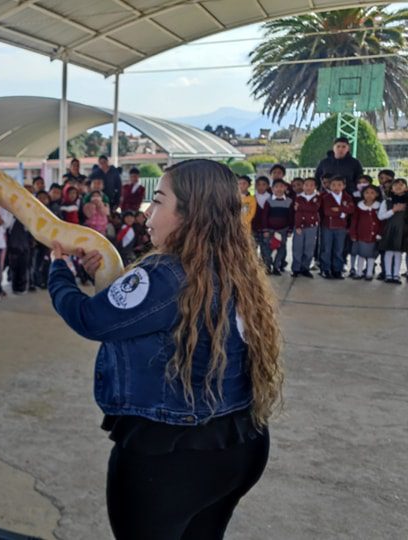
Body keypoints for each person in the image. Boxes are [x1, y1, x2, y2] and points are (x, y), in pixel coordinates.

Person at [48, 159, 282, 540]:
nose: (147, 213)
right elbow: (146, 312)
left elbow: (89, 318)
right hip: (242, 444)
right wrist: (101, 277)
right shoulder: (236, 265)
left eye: (158, 201)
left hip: (173, 459)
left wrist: (58, 270)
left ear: (189, 214)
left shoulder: (164, 273)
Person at [320, 176, 356, 279]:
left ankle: (337, 270)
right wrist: (343, 211)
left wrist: (339, 209)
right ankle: (325, 269)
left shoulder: (347, 197)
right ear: (329, 186)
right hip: (328, 226)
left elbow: (351, 209)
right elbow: (328, 211)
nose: (336, 187)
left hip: (341, 227)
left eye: (339, 185)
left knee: (339, 249)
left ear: (344, 186)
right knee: (326, 249)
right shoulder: (326, 197)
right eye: (333, 185)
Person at [348, 185, 388, 280]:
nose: (369, 195)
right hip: (361, 234)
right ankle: (359, 272)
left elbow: (383, 222)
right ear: (363, 194)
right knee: (360, 254)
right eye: (367, 192)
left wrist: (380, 233)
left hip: (374, 236)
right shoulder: (359, 207)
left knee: (371, 255)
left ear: (377, 194)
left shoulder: (379, 206)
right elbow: (354, 221)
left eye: (372, 193)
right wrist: (353, 233)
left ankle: (369, 273)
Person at [378, 178, 407, 283]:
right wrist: (393, 210)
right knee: (389, 252)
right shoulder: (387, 202)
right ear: (392, 189)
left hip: (403, 231)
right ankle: (388, 274)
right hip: (390, 230)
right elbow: (381, 217)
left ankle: (396, 275)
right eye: (396, 185)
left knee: (398, 253)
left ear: (406, 188)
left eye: (402, 184)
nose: (399, 186)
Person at [291, 178, 321, 278]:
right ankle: (296, 269)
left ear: (315, 187)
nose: (309, 187)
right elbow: (297, 213)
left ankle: (305, 268)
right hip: (299, 226)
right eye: (306, 185)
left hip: (312, 227)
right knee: (297, 248)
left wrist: (301, 207)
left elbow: (314, 208)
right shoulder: (299, 198)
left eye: (311, 185)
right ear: (303, 186)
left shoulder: (318, 198)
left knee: (309, 249)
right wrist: (298, 225)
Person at [263, 179, 294, 276]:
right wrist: (265, 229)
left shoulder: (289, 201)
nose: (279, 189)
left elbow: (291, 216)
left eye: (281, 187)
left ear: (285, 188)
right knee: (268, 249)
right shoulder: (268, 201)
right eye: (276, 187)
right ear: (272, 189)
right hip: (270, 230)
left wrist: (290, 229)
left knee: (281, 249)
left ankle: (276, 267)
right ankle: (268, 266)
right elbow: (264, 216)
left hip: (283, 230)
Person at [251, 177, 272, 269]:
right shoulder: (252, 198)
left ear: (268, 186)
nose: (261, 187)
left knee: (266, 248)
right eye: (258, 184)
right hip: (253, 227)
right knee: (253, 248)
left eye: (264, 184)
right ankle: (254, 267)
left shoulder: (271, 198)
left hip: (266, 228)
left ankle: (266, 266)